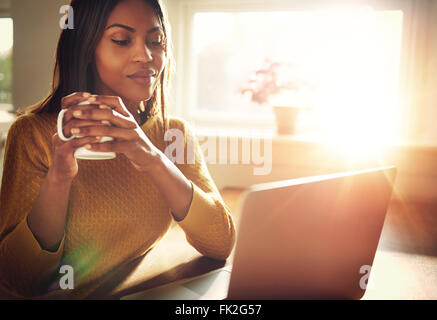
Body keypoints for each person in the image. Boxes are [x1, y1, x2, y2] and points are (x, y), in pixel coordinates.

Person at [0, 0, 235, 299]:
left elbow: (221, 242)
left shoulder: (172, 134)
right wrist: (59, 178)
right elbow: (17, 278)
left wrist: (151, 157)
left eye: (155, 41)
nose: (146, 55)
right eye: (122, 40)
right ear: (86, 48)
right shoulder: (33, 134)